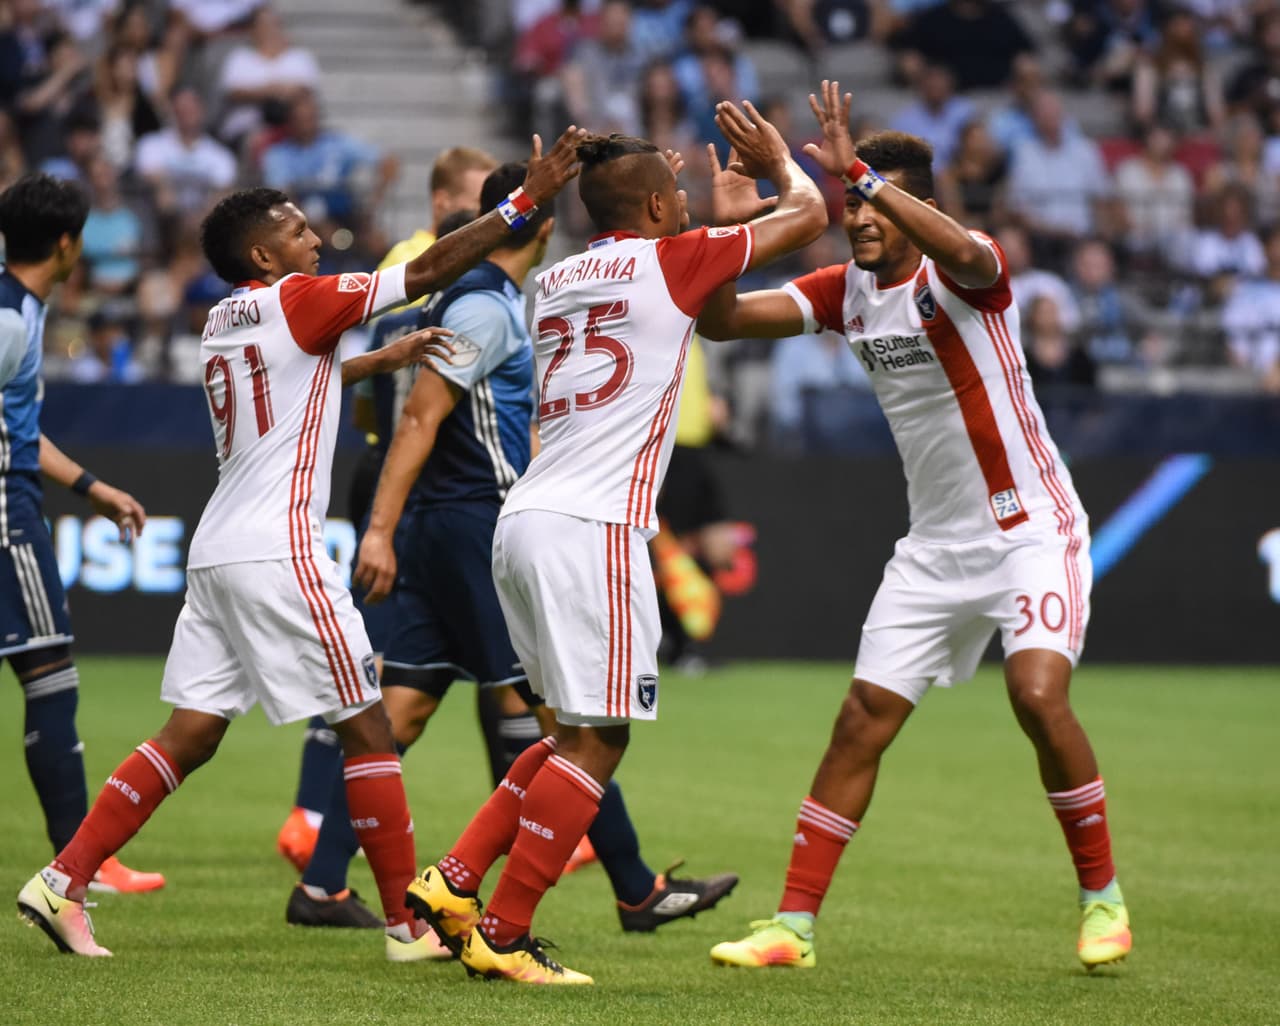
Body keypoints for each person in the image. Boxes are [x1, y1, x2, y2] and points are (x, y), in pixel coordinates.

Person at [15, 127, 587, 958]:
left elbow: (288, 386)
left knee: (192, 733)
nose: (314, 239)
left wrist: (378, 359)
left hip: (218, 553)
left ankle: (60, 881)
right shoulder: (300, 300)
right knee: (368, 729)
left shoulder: (223, 319)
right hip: (280, 551)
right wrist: (523, 201)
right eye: (296, 230)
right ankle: (403, 924)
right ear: (263, 252)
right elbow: (425, 270)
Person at [702, 81, 1131, 972]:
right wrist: (727, 237)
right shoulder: (846, 292)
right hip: (934, 548)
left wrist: (856, 171)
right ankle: (792, 928)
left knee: (1038, 697)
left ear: (912, 206)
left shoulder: (963, 274)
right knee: (860, 720)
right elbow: (723, 320)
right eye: (848, 206)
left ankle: (1103, 902)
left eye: (868, 203)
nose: (854, 219)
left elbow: (971, 250)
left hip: (1030, 532)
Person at [406, 103, 827, 985]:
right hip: (593, 528)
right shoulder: (674, 257)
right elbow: (814, 217)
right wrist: (778, 167)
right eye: (676, 193)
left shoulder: (555, 279)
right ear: (662, 209)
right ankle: (507, 933)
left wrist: (721, 219)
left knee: (563, 739)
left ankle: (453, 885)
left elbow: (707, 319)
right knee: (601, 743)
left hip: (523, 518)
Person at [274, 147, 500, 873]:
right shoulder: (430, 266)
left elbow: (361, 379)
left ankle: (324, 850)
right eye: (476, 201)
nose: (488, 218)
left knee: (414, 678)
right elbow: (388, 396)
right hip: (424, 482)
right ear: (442, 205)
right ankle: (313, 818)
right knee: (371, 662)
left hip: (412, 476)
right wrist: (382, 469)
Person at [0, 172, 163, 895]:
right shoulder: (10, 320)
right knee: (51, 671)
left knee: (48, 669)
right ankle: (77, 861)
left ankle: (79, 858)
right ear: (69, 245)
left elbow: (20, 430)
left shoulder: (19, 313)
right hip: (6, 514)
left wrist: (93, 489)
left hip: (21, 495)